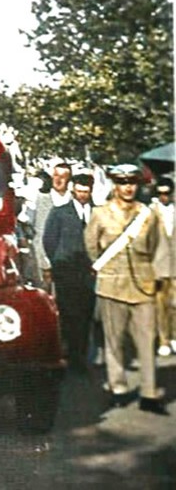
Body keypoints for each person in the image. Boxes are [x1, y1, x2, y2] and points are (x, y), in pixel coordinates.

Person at [84, 164, 167, 415]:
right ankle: (118, 388)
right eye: (122, 182)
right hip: (112, 284)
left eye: (132, 182)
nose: (128, 187)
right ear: (114, 185)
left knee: (146, 341)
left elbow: (159, 246)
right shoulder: (101, 213)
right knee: (114, 341)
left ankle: (149, 393)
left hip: (144, 285)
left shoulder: (148, 214)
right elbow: (91, 246)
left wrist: (160, 277)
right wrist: (107, 269)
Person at [43, 173, 95, 372]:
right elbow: (49, 240)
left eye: (86, 191)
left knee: (86, 315)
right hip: (66, 273)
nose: (82, 195)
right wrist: (59, 263)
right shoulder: (59, 212)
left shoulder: (97, 212)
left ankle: (80, 356)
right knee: (68, 315)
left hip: (89, 274)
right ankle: (68, 355)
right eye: (79, 191)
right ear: (73, 190)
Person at [28, 162, 72, 289]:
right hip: (41, 262)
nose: (58, 180)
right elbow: (33, 230)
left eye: (63, 177)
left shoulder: (73, 201)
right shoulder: (39, 198)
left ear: (69, 180)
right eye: (56, 175)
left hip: (67, 265)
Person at [150, 177, 176, 357]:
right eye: (160, 193)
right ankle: (163, 339)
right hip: (158, 266)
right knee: (160, 305)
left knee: (175, 304)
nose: (163, 196)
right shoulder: (150, 212)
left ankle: (174, 336)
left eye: (167, 193)